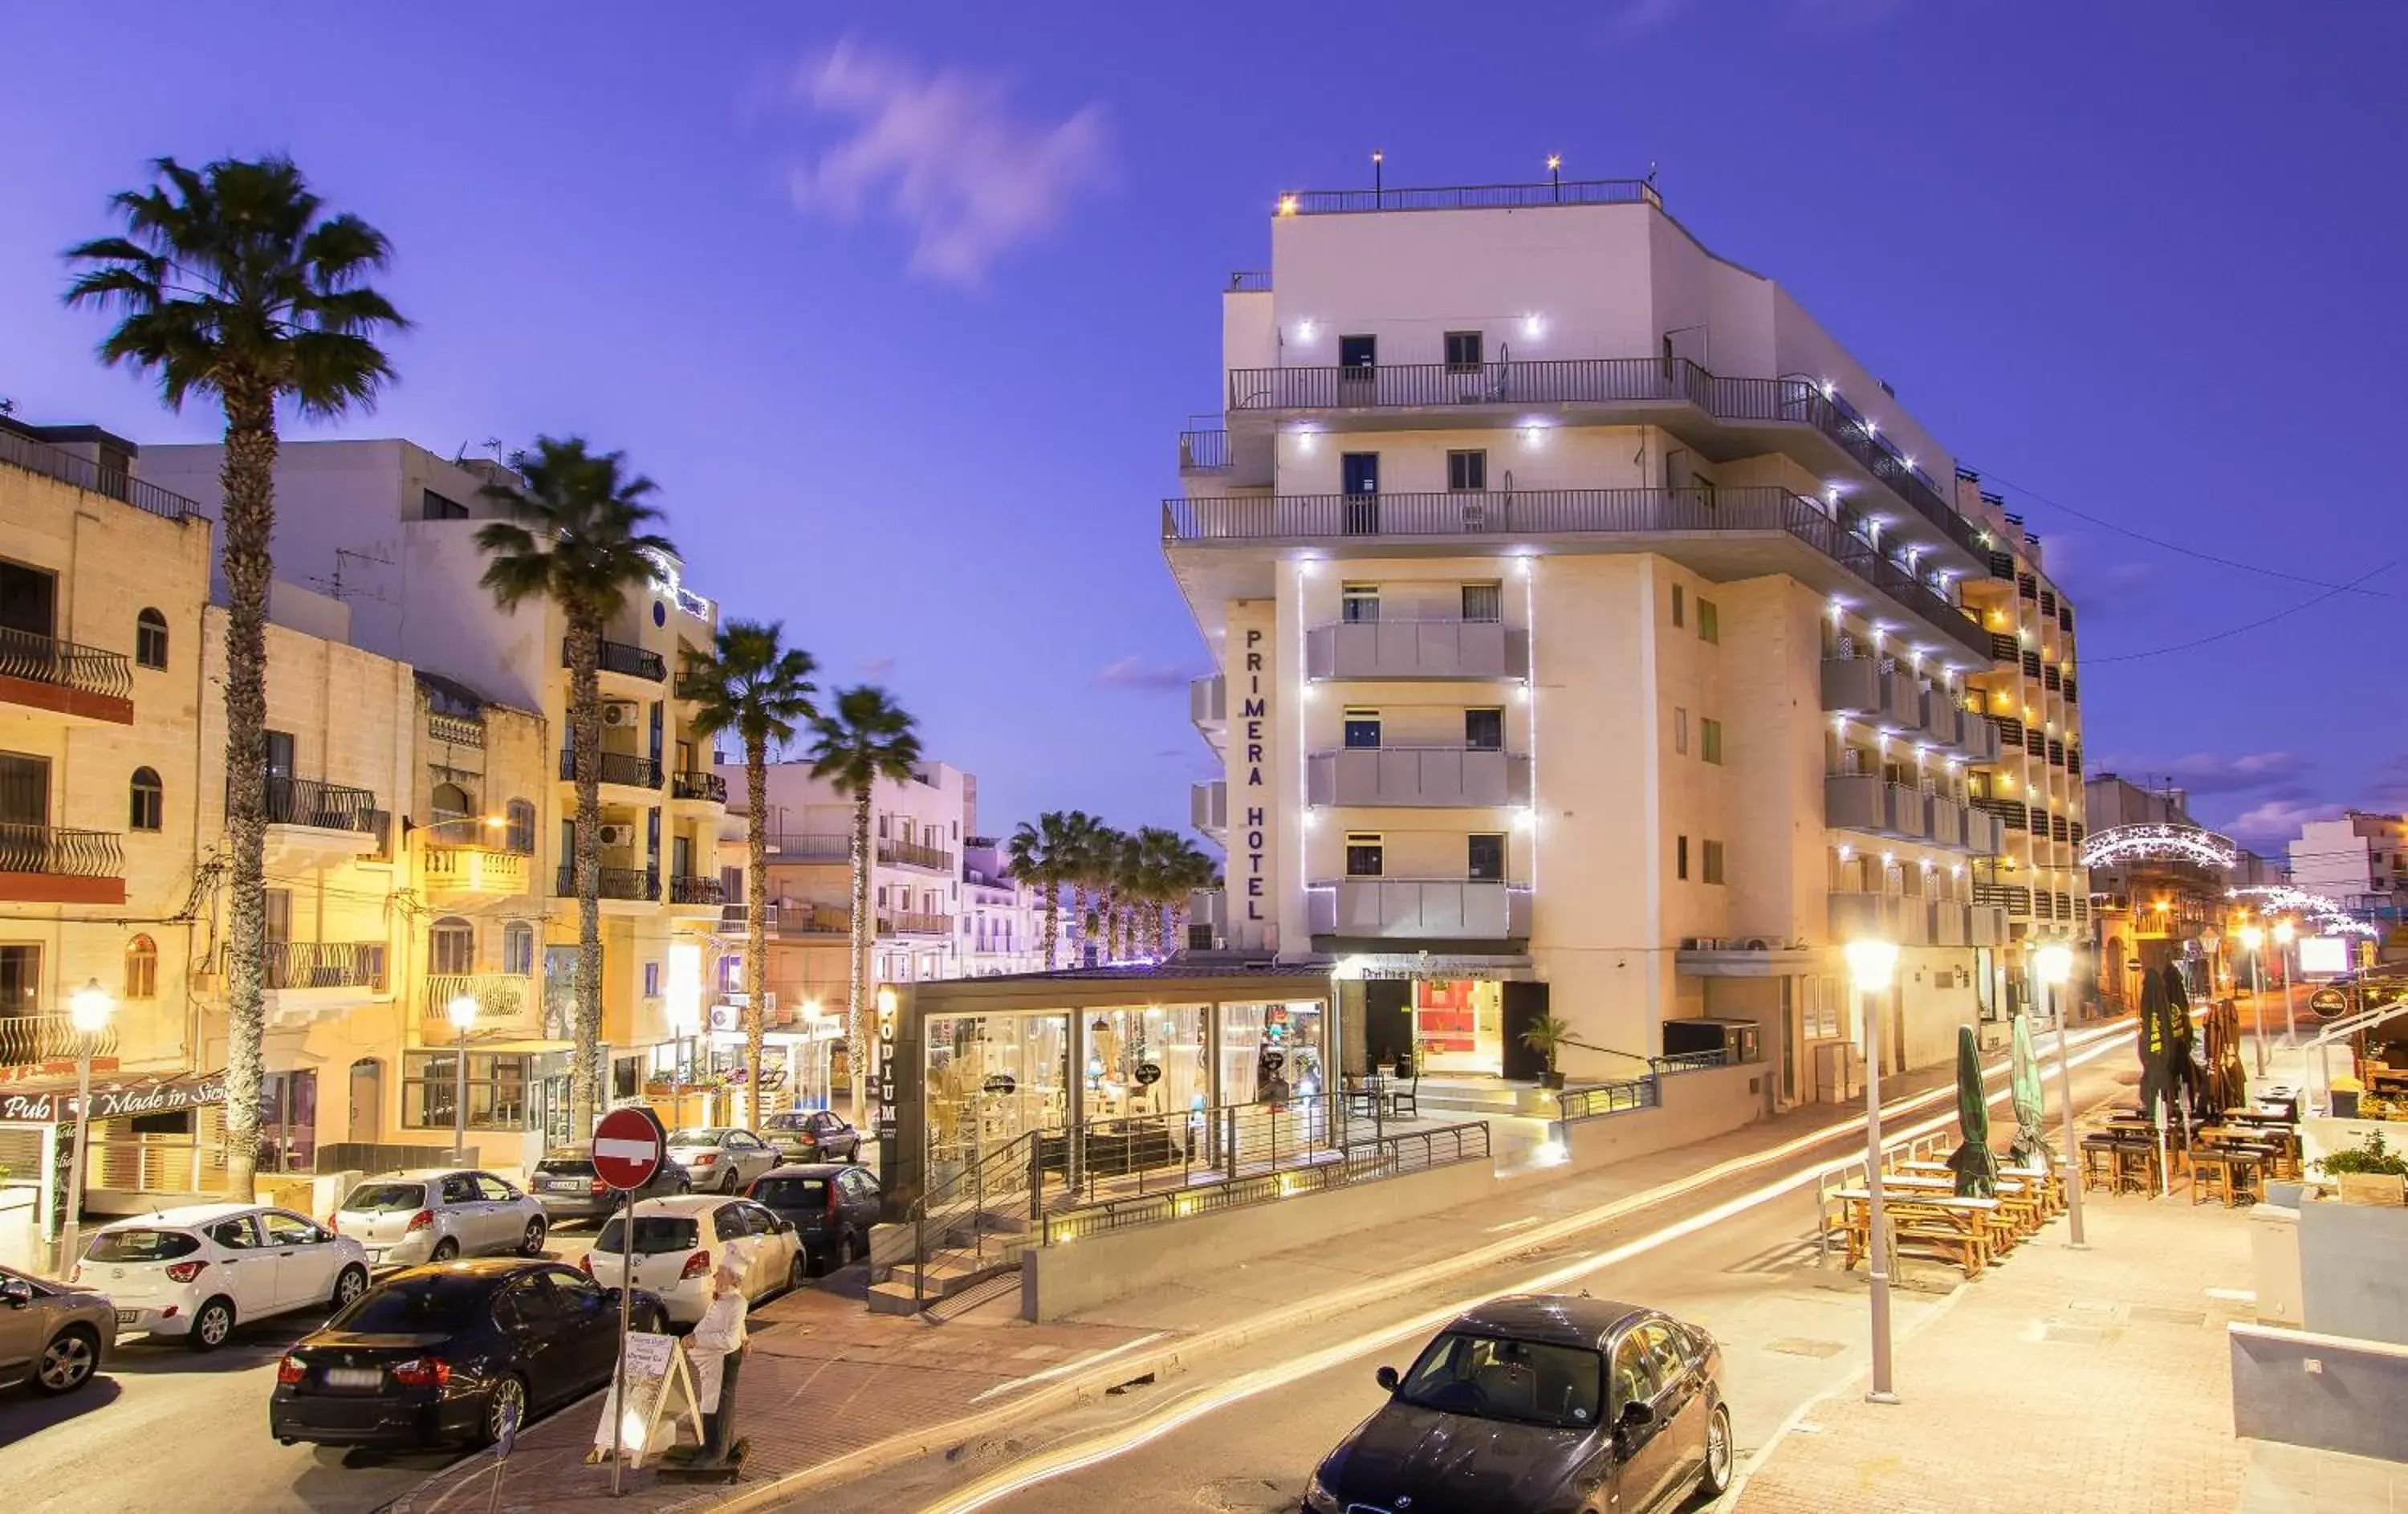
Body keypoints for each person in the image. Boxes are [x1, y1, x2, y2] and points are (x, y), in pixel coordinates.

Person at [685, 1254, 749, 1465]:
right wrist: (745, 1337)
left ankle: (716, 1453)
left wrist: (698, 1339)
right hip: (714, 1361)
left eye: (721, 1273)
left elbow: (729, 1339)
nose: (715, 1276)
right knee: (714, 1402)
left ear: (733, 1277)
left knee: (718, 1403)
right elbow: (737, 1329)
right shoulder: (725, 1300)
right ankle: (716, 1447)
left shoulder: (737, 1303)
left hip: (722, 1360)